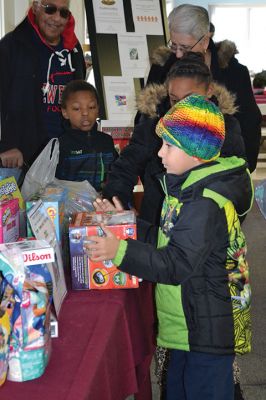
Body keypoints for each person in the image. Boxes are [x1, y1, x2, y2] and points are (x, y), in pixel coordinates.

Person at [87, 94, 252, 400]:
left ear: (196, 153)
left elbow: (174, 264)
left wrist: (119, 251)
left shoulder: (203, 203)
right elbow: (165, 237)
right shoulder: (186, 190)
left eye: (168, 146)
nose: (160, 153)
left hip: (205, 332)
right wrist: (127, 222)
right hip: (187, 326)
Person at [103, 52, 246, 226]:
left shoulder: (226, 127)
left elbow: (238, 181)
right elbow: (125, 168)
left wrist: (224, 222)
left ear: (209, 91)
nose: (180, 108)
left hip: (205, 225)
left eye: (189, 99)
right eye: (174, 100)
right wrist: (120, 207)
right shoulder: (153, 123)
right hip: (156, 220)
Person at [143, 4, 261, 173]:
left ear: (205, 40)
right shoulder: (161, 69)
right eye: (173, 45)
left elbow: (249, 125)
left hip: (219, 175)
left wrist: (238, 173)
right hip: (166, 174)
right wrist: (154, 172)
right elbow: (146, 123)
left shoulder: (235, 74)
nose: (177, 54)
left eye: (184, 47)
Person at [0, 0, 86, 169]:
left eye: (63, 13)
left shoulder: (73, 49)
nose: (56, 18)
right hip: (21, 157)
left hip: (67, 155)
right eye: (50, 9)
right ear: (35, 7)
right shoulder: (11, 46)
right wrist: (6, 145)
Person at [55, 80, 117, 193]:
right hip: (71, 207)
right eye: (77, 108)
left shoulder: (106, 141)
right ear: (65, 112)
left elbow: (118, 175)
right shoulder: (60, 145)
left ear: (98, 109)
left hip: (104, 206)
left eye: (91, 107)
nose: (85, 113)